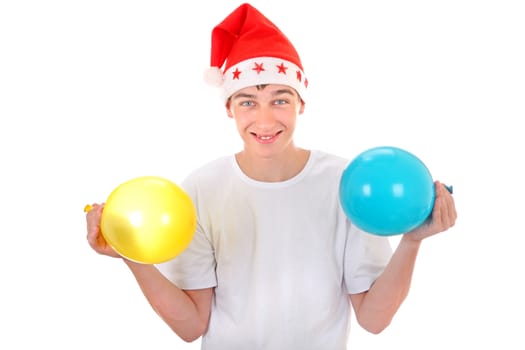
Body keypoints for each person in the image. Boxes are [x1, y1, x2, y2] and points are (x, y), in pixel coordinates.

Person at [85, 3, 457, 350]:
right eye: (248, 101)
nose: (264, 120)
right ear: (229, 108)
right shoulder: (201, 188)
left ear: (302, 104)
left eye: (280, 99)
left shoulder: (347, 184)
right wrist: (132, 256)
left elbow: (374, 320)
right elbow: (191, 326)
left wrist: (411, 242)